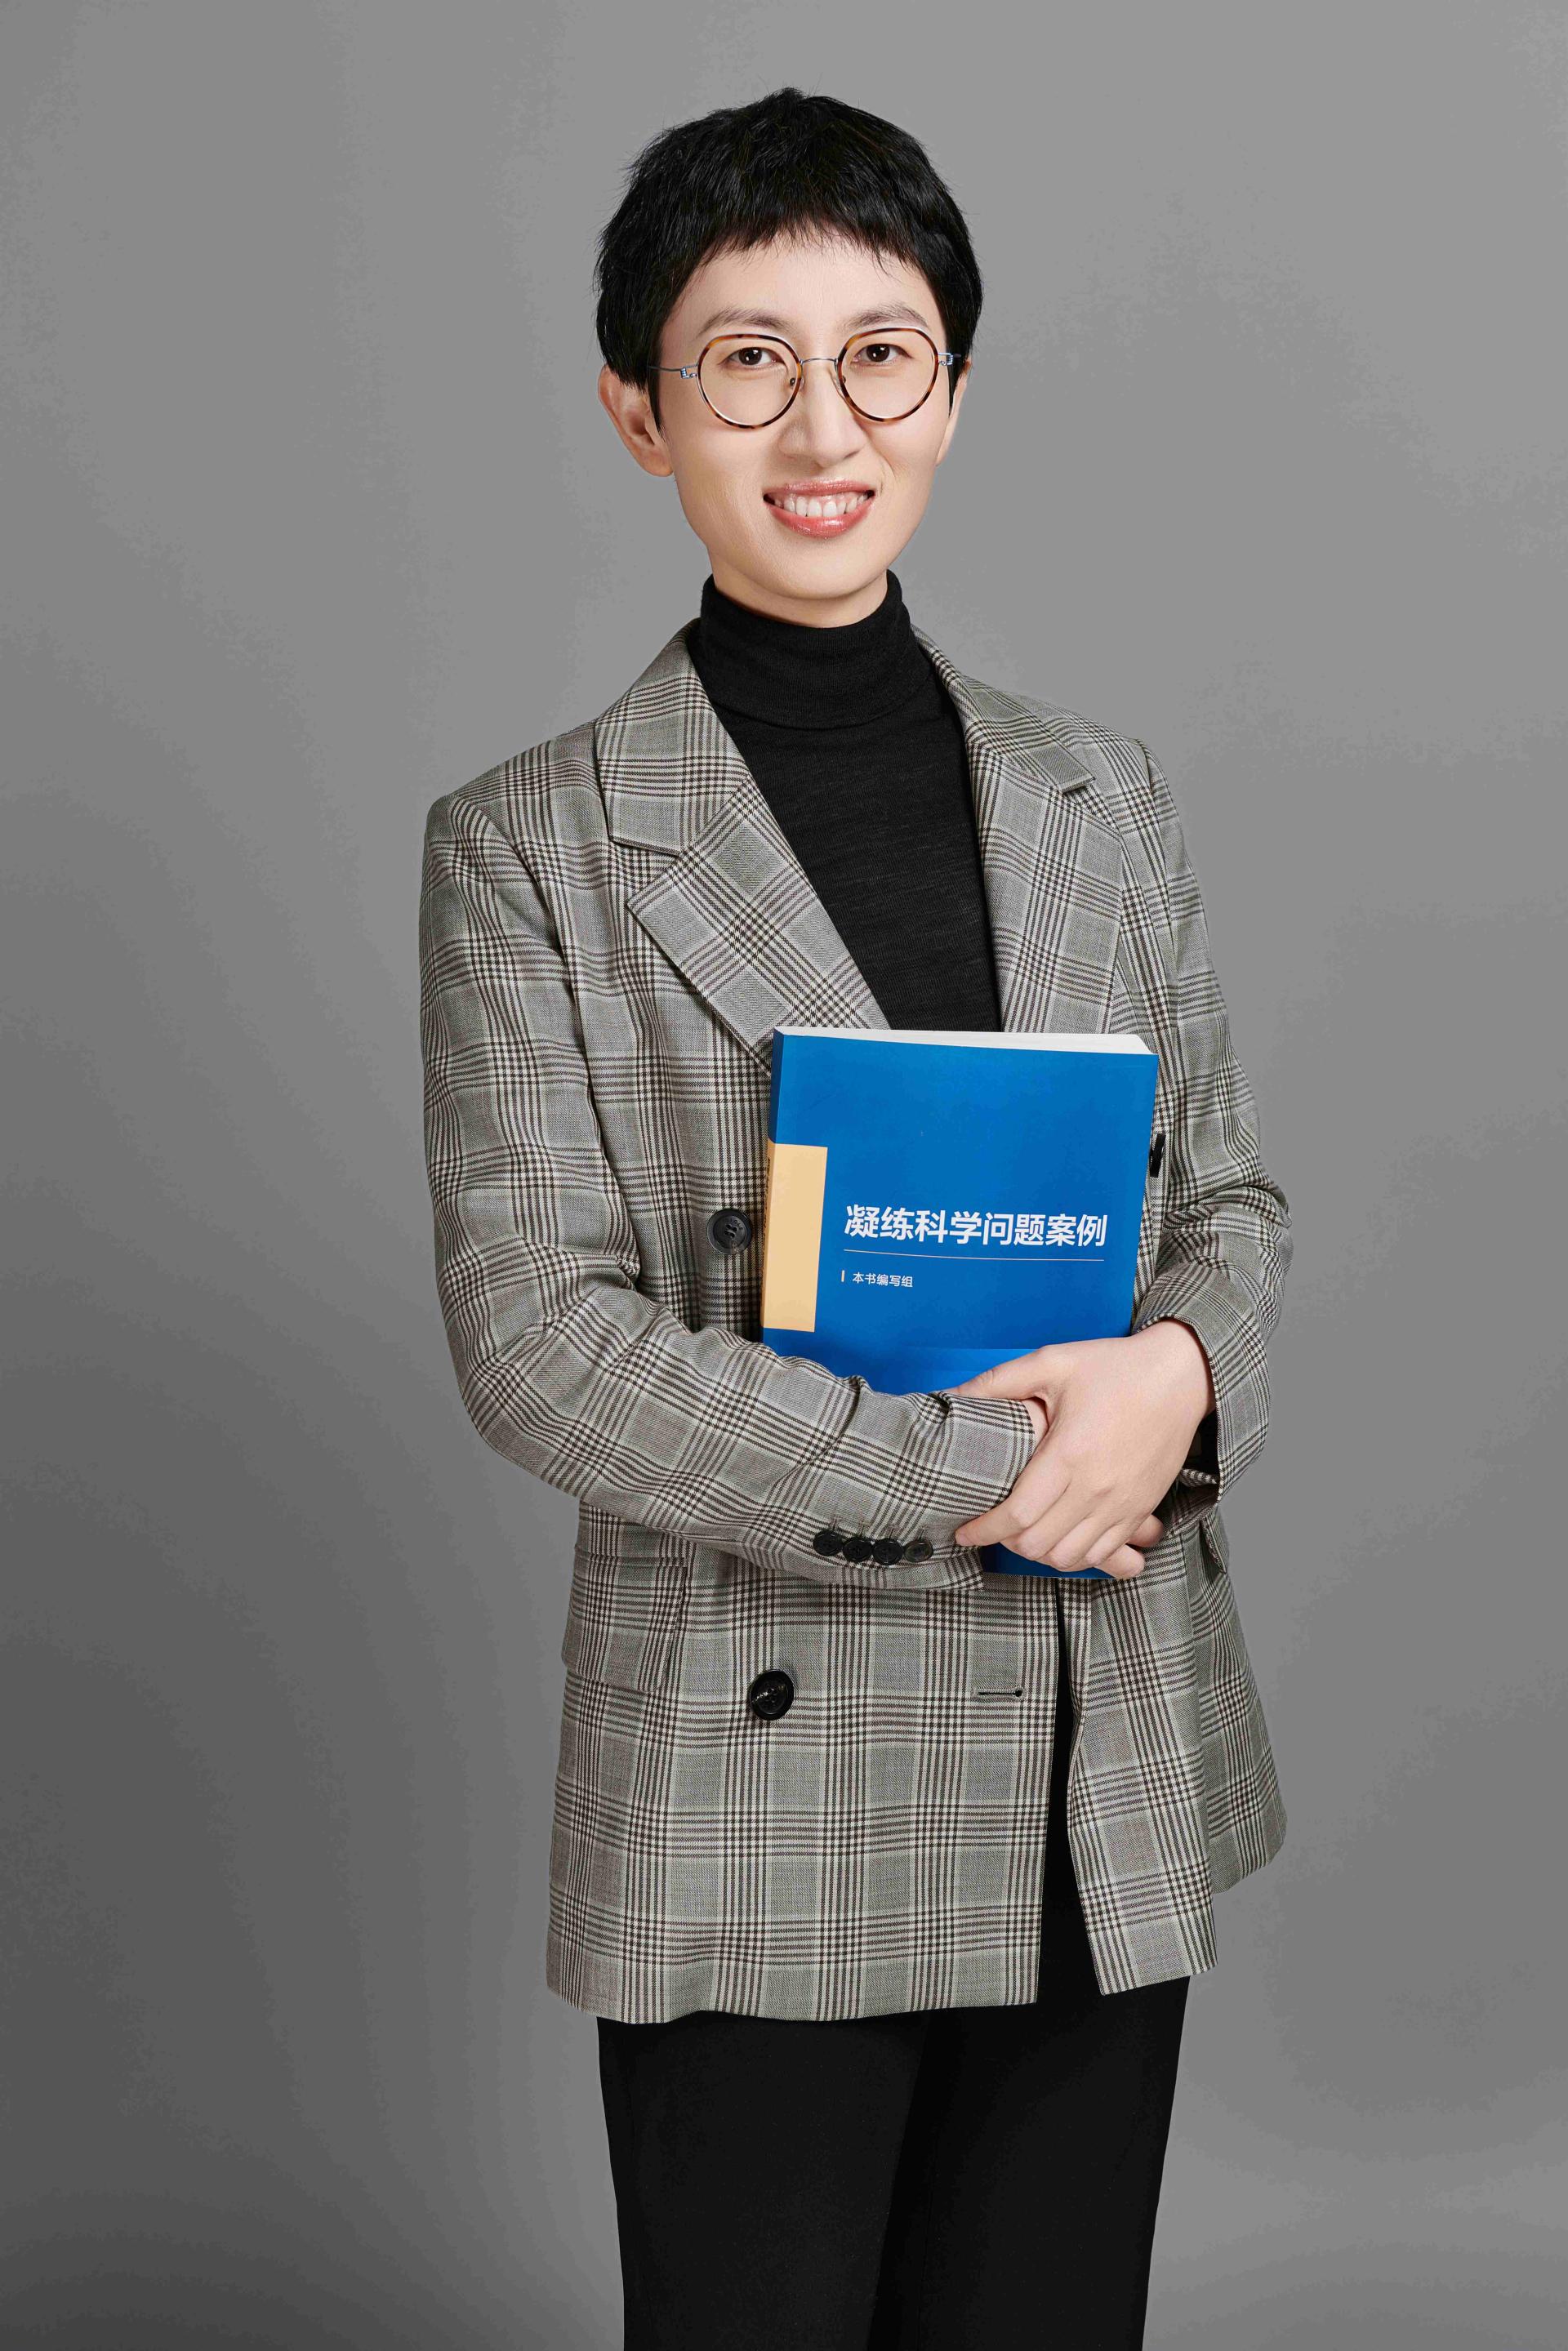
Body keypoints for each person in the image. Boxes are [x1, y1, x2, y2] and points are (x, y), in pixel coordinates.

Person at [418, 85, 1293, 2351]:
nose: (826, 427)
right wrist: (1002, 1471)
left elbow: (1229, 1197)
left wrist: (1184, 1373)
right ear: (641, 413)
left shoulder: (1100, 795)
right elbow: (539, 1336)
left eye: (881, 357)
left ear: (953, 390)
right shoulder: (532, 841)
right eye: (749, 362)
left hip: (1097, 1740)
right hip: (754, 1760)